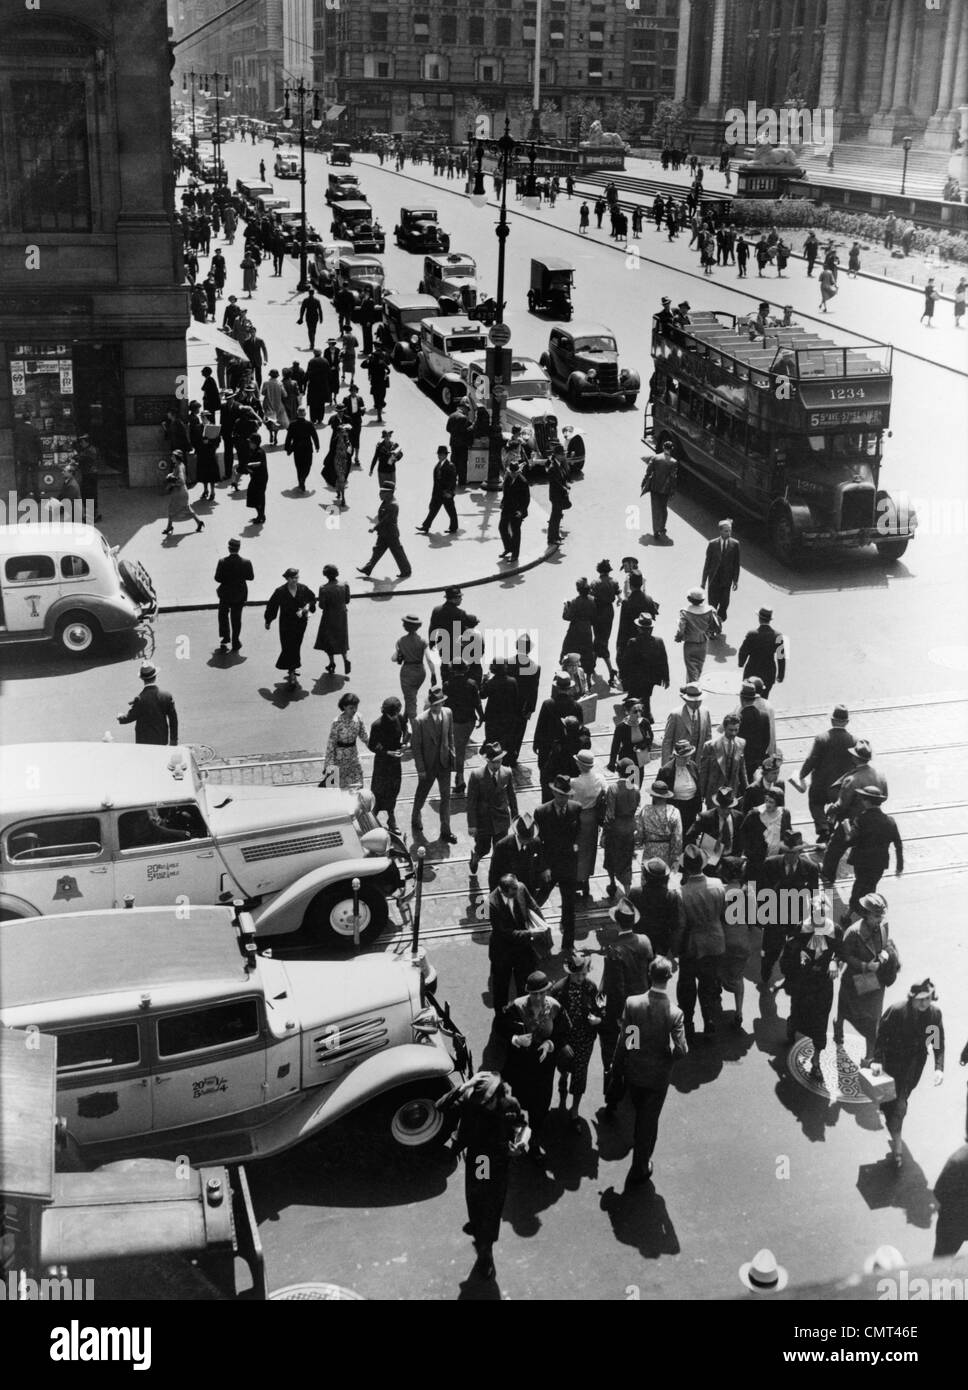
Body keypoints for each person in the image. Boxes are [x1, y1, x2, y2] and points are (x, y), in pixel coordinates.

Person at [437, 1071, 528, 1281]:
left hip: (498, 1159)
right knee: (478, 1198)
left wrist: (521, 1143)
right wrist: (463, 1086)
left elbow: (522, 1126)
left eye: (487, 1101)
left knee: (491, 1206)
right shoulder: (471, 1101)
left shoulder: (508, 1104)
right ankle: (479, 1226)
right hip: (481, 1160)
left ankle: (486, 1252)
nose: (483, 1105)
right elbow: (439, 1106)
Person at [609, 957, 688, 1183]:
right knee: (648, 1121)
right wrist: (669, 1054)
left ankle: (641, 1155)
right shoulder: (674, 1013)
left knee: (641, 1116)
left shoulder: (633, 1003)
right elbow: (681, 1050)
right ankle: (640, 1167)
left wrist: (617, 1066)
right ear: (670, 978)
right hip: (658, 1077)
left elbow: (628, 1039)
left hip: (635, 1071)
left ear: (649, 975)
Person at [871, 980, 945, 1171]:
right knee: (897, 1105)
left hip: (913, 1067)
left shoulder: (934, 1015)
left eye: (927, 999)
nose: (924, 1003)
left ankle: (893, 1127)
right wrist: (877, 1059)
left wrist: (938, 1068)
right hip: (892, 1064)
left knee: (897, 1101)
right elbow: (882, 1035)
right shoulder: (897, 1011)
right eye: (919, 999)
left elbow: (936, 1042)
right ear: (911, 998)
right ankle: (897, 1147)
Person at [500, 971, 571, 1162]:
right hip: (521, 1067)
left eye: (542, 993)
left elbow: (563, 1031)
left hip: (544, 1067)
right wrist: (516, 1039)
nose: (538, 997)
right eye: (534, 994)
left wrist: (550, 1044)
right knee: (520, 1103)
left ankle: (534, 1143)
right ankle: (517, 1135)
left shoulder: (555, 1008)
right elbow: (501, 1027)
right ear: (528, 992)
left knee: (541, 1107)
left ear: (547, 990)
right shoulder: (516, 1007)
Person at [833, 893, 895, 1065]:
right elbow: (844, 955)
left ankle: (869, 1057)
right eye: (876, 916)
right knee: (844, 1010)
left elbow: (885, 945)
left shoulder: (883, 927)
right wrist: (864, 966)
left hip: (875, 982)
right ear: (866, 914)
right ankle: (838, 1028)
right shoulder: (853, 932)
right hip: (854, 980)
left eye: (881, 916)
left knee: (873, 1020)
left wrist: (884, 954)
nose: (880, 919)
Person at [820, 739, 888, 886]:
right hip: (873, 820)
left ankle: (827, 875)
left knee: (834, 849)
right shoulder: (880, 774)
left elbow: (842, 805)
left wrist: (831, 809)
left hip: (852, 822)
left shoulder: (852, 779)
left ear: (855, 758)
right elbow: (885, 796)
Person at [676, 845, 726, 1042]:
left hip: (692, 945)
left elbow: (680, 925)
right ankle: (709, 1020)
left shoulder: (681, 893)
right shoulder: (718, 884)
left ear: (686, 868)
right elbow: (723, 913)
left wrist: (677, 948)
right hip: (715, 941)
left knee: (687, 987)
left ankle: (688, 1022)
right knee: (709, 984)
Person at [781, 915, 839, 1080]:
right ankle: (792, 1026)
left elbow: (841, 950)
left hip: (823, 986)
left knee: (820, 1023)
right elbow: (785, 961)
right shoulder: (800, 930)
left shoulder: (834, 930)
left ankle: (815, 1062)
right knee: (798, 1014)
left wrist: (835, 961)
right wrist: (797, 958)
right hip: (803, 985)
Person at [551, 953, 603, 1128]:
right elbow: (552, 1021)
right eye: (577, 974)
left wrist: (597, 1020)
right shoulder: (557, 990)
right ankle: (563, 1077)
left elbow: (601, 1009)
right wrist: (562, 1043)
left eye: (584, 974)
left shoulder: (592, 988)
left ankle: (574, 1110)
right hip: (566, 1039)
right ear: (570, 972)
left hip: (585, 1039)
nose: (581, 978)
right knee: (564, 1066)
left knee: (580, 1075)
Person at [793, 704, 856, 841]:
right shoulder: (853, 741)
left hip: (820, 785)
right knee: (839, 806)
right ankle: (832, 822)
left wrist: (801, 775)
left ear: (832, 720)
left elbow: (811, 760)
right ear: (847, 722)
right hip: (840, 787)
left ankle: (823, 827)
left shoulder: (822, 738)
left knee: (815, 803)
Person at [533, 775, 581, 952]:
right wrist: (543, 866)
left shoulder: (576, 808)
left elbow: (578, 833)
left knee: (569, 907)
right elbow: (538, 842)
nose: (563, 799)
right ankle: (534, 936)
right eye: (560, 795)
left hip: (568, 866)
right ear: (553, 792)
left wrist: (575, 848)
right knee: (537, 901)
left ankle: (568, 945)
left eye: (566, 795)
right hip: (550, 866)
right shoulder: (541, 812)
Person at [410, 687, 457, 843]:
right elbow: (415, 747)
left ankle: (446, 830)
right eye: (434, 705)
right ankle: (415, 817)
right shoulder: (420, 721)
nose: (437, 708)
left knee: (446, 798)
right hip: (428, 766)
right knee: (421, 795)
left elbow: (450, 736)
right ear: (430, 705)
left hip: (444, 764)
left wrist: (453, 756)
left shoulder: (448, 713)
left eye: (439, 704)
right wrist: (421, 769)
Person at [467, 743, 518, 875]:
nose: (497, 766)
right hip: (483, 820)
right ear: (488, 761)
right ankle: (475, 857)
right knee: (483, 848)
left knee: (500, 849)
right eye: (494, 763)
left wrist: (516, 818)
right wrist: (472, 825)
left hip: (501, 819)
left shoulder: (507, 772)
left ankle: (496, 874)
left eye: (499, 762)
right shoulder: (476, 775)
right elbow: (471, 802)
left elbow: (512, 797)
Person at [263, 567, 317, 688]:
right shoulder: (280, 591)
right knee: (287, 645)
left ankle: (292, 668)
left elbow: (312, 599)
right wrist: (268, 620)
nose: (295, 580)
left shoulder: (303, 588)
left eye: (297, 578)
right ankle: (292, 669)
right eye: (293, 578)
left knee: (296, 645)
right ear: (287, 578)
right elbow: (272, 606)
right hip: (286, 623)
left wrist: (308, 606)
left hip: (300, 623)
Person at [571, 748, 608, 898]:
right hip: (592, 818)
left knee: (576, 849)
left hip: (578, 817)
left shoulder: (575, 782)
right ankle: (586, 879)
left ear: (579, 765)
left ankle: (576, 879)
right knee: (589, 850)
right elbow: (605, 793)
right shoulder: (600, 778)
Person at [603, 759, 641, 897]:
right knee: (626, 860)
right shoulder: (635, 789)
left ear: (618, 771)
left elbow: (610, 814)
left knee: (611, 857)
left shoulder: (613, 788)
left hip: (615, 830)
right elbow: (637, 809)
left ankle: (612, 883)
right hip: (629, 829)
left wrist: (604, 833)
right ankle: (627, 891)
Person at [367, 696, 405, 832]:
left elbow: (404, 732)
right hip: (382, 763)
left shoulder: (399, 718)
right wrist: (387, 752)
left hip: (395, 762)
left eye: (395, 714)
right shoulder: (377, 725)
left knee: (393, 790)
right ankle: (372, 819)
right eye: (391, 715)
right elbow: (371, 745)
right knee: (378, 790)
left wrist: (404, 745)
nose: (393, 717)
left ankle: (391, 818)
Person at [933, 1111, 968, 1256]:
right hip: (955, 1221)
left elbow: (939, 1193)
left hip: (954, 1223)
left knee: (942, 1261)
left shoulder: (958, 1160)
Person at [117, 663, 178, 745]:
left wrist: (120, 717)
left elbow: (130, 717)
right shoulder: (166, 696)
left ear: (142, 679)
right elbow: (173, 720)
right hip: (161, 739)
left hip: (143, 742)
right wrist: (173, 740)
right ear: (155, 676)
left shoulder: (140, 699)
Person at [358, 487, 412, 579]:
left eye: (382, 492)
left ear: (390, 493)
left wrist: (375, 528)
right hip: (383, 532)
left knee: (397, 552)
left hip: (390, 533)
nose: (380, 494)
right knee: (377, 550)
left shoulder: (393, 505)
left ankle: (406, 571)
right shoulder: (386, 501)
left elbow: (386, 520)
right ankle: (368, 568)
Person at [392, 614, 430, 740]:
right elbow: (429, 659)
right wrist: (434, 674)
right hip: (420, 672)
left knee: (411, 703)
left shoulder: (401, 641)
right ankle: (404, 729)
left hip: (407, 672)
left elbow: (394, 658)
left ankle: (417, 735)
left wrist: (400, 652)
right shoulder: (423, 641)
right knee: (410, 699)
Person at [699, 716, 749, 808]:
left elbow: (742, 769)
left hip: (732, 791)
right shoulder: (711, 746)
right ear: (724, 728)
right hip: (714, 792)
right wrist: (701, 794)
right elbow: (703, 772)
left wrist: (747, 789)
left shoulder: (741, 743)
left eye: (736, 730)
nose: (733, 733)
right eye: (730, 730)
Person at [214, 537, 253, 653]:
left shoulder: (222, 562)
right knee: (236, 618)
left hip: (225, 593)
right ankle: (236, 640)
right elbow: (251, 577)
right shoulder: (246, 562)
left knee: (223, 616)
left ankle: (225, 637)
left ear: (228, 548)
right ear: (239, 548)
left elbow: (217, 578)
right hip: (240, 594)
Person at [657, 738, 702, 838]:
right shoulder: (666, 771)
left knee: (690, 838)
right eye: (683, 757)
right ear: (676, 756)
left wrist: (699, 812)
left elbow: (699, 790)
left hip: (691, 809)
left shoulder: (693, 766)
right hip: (675, 809)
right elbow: (658, 795)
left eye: (688, 756)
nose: (686, 760)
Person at [675, 588, 722, 681]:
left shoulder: (684, 612)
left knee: (691, 669)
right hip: (703, 642)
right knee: (698, 667)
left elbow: (681, 628)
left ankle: (692, 689)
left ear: (689, 599)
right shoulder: (709, 610)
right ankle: (692, 688)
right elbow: (715, 626)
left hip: (690, 643)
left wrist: (678, 637)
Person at [323, 692, 367, 789]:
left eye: (356, 707)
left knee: (357, 786)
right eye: (351, 708)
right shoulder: (337, 722)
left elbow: (364, 736)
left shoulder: (358, 718)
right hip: (339, 759)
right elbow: (331, 744)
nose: (354, 710)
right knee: (338, 789)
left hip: (353, 758)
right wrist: (329, 765)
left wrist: (377, 747)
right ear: (344, 707)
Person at [738, 607, 785, 696]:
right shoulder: (778, 636)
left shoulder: (752, 634)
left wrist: (741, 663)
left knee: (748, 695)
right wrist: (780, 675)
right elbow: (781, 657)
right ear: (770, 620)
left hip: (752, 670)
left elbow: (743, 651)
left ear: (759, 618)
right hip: (768, 672)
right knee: (764, 697)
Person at [701, 519, 741, 625]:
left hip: (726, 581)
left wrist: (735, 580)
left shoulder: (735, 544)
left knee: (724, 604)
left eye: (730, 531)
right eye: (726, 531)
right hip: (714, 580)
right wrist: (703, 582)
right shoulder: (712, 544)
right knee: (712, 605)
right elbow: (707, 564)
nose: (728, 533)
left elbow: (736, 564)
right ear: (720, 531)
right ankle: (713, 626)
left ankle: (720, 618)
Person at [314, 563, 351, 676]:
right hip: (341, 615)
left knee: (329, 640)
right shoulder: (345, 585)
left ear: (326, 575)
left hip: (329, 617)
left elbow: (322, 606)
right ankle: (345, 659)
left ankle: (332, 663)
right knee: (342, 638)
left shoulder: (323, 588)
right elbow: (347, 600)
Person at [661, 683, 711, 764]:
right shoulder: (675, 715)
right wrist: (666, 765)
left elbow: (708, 738)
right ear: (686, 700)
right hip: (680, 760)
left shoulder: (705, 712)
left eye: (699, 700)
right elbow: (667, 741)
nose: (696, 703)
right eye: (693, 701)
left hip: (699, 760)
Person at [589, 559, 621, 687]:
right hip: (609, 612)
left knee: (599, 639)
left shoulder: (595, 583)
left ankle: (607, 669)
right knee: (602, 639)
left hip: (598, 611)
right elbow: (618, 593)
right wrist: (619, 600)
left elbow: (590, 597)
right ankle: (594, 665)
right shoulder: (613, 582)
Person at [607, 699, 653, 782]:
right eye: (635, 711)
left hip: (640, 758)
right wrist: (612, 762)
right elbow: (615, 745)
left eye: (640, 710)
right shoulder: (621, 727)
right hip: (626, 759)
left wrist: (645, 746)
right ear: (627, 712)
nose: (638, 714)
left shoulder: (644, 722)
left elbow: (650, 737)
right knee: (627, 784)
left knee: (638, 783)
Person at [417, 446, 459, 535]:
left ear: (445, 455)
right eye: (439, 454)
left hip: (446, 493)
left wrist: (450, 493)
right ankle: (426, 526)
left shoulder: (450, 466)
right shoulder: (438, 465)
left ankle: (454, 527)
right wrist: (433, 495)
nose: (440, 456)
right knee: (433, 510)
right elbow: (436, 482)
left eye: (442, 454)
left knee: (451, 511)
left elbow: (453, 481)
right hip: (438, 493)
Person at [560, 578, 597, 678]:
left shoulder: (575, 602)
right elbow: (594, 616)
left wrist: (566, 606)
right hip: (587, 630)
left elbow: (566, 617)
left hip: (575, 630)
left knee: (567, 650)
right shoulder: (592, 600)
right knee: (587, 653)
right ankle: (588, 678)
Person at [640, 443, 678, 538]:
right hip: (665, 489)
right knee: (663, 508)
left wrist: (644, 482)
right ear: (671, 449)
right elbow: (673, 478)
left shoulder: (655, 458)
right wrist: (672, 490)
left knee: (655, 509)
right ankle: (662, 527)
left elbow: (648, 472)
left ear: (663, 447)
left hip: (654, 487)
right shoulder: (673, 462)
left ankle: (656, 530)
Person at [162, 451, 204, 536]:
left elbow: (180, 480)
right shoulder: (181, 465)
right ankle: (199, 522)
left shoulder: (178, 466)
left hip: (179, 492)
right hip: (182, 491)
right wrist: (170, 475)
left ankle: (169, 527)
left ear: (177, 457)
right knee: (185, 508)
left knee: (171, 508)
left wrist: (172, 483)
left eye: (173, 456)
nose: (171, 458)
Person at [498, 459, 530, 561]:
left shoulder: (523, 482)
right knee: (502, 528)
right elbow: (506, 493)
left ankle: (515, 555)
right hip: (507, 508)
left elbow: (526, 499)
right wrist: (502, 502)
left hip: (517, 511)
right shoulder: (507, 479)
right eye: (511, 472)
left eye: (515, 473)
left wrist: (521, 511)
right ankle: (508, 548)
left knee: (516, 533)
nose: (513, 474)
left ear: (518, 472)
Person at [283, 408, 319, 492]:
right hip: (307, 448)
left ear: (297, 414)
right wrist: (317, 446)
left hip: (297, 448)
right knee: (308, 465)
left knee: (299, 466)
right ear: (305, 414)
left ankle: (300, 481)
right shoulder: (309, 424)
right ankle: (303, 479)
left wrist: (287, 448)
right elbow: (314, 435)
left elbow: (289, 437)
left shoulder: (292, 425)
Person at [244, 432, 268, 525]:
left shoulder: (259, 452)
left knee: (259, 497)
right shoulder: (255, 451)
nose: (249, 444)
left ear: (255, 443)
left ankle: (261, 516)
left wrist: (248, 467)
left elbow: (258, 464)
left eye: (251, 442)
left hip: (260, 478)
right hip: (256, 477)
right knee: (255, 496)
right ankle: (260, 515)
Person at [261, 370, 289, 446]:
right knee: (277, 421)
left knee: (270, 421)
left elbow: (262, 393)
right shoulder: (280, 384)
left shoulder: (266, 383)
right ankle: (276, 436)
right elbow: (285, 394)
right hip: (278, 405)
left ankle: (271, 434)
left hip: (268, 405)